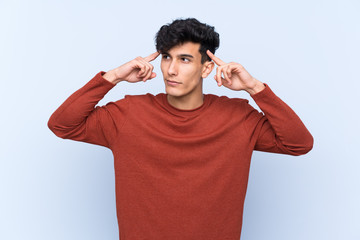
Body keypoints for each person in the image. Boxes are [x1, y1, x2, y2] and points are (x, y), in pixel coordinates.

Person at [48, 18, 313, 240]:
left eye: (184, 59)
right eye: (166, 57)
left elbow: (298, 143)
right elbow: (62, 125)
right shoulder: (127, 114)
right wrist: (114, 76)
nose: (171, 70)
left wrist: (255, 88)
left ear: (206, 67)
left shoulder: (239, 117)